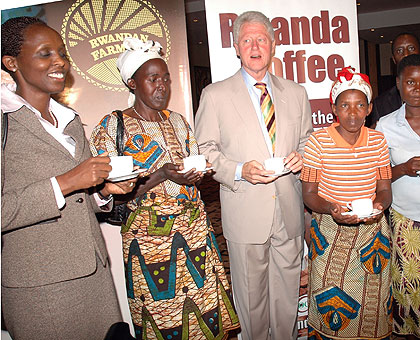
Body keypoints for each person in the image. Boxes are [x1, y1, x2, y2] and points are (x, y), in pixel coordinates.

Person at [89, 37, 240, 340]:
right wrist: (160, 175)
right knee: (165, 319)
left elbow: (193, 167)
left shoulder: (180, 122)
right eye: (153, 78)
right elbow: (105, 189)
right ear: (132, 83)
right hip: (149, 245)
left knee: (207, 315)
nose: (162, 85)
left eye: (166, 78)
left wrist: (197, 175)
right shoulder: (112, 126)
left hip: (196, 237)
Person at [1, 17, 138, 340]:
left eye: (61, 52)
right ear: (11, 63)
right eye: (45, 54)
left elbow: (81, 197)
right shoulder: (5, 123)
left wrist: (103, 191)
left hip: (95, 278)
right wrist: (66, 182)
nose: (59, 61)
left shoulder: (70, 120)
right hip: (41, 290)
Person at [194, 10, 313, 340]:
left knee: (288, 301)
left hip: (288, 212)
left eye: (261, 39)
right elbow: (205, 150)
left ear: (273, 45)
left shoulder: (296, 93)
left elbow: (307, 139)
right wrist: (238, 170)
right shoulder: (215, 95)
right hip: (244, 213)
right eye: (247, 40)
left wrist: (302, 155)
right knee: (252, 304)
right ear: (236, 47)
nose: (255, 46)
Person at [301, 66, 393, 339]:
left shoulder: (377, 141)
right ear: (334, 109)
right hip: (330, 234)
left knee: (373, 307)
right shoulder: (317, 142)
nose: (352, 113)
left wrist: (378, 206)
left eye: (359, 105)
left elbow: (385, 190)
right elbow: (309, 194)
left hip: (371, 236)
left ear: (369, 108)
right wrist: (331, 208)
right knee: (330, 305)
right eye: (345, 106)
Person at [376, 53, 420, 340]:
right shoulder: (386, 125)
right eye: (410, 82)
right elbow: (378, 177)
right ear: (399, 85)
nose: (417, 88)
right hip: (406, 219)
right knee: (410, 285)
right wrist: (403, 168)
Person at [367, 32, 420, 128]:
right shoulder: (381, 104)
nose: (406, 54)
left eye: (411, 48)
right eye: (399, 51)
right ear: (394, 59)